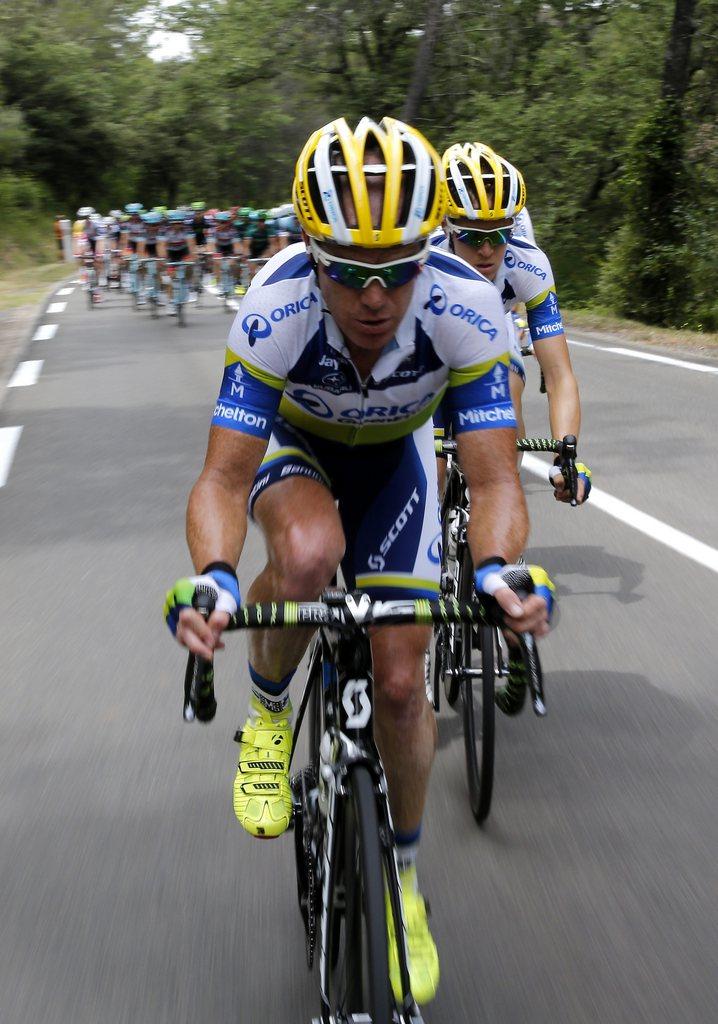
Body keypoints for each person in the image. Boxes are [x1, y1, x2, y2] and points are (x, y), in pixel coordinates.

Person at [164, 116, 553, 1005]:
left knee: (406, 680)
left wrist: (494, 570)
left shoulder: (466, 305)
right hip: (294, 448)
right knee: (306, 554)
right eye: (346, 269)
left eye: (398, 269)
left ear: (429, 250)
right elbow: (222, 482)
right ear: (310, 251)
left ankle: (405, 888)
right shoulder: (274, 305)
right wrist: (218, 579)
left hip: (396, 458)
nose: (375, 296)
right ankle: (267, 721)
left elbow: (494, 480)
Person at [436, 142, 591, 504]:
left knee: (507, 400)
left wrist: (565, 458)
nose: (487, 250)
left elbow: (558, 374)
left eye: (499, 234)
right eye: (473, 235)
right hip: (431, 345)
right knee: (433, 466)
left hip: (493, 329)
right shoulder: (422, 260)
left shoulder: (529, 265)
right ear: (446, 227)